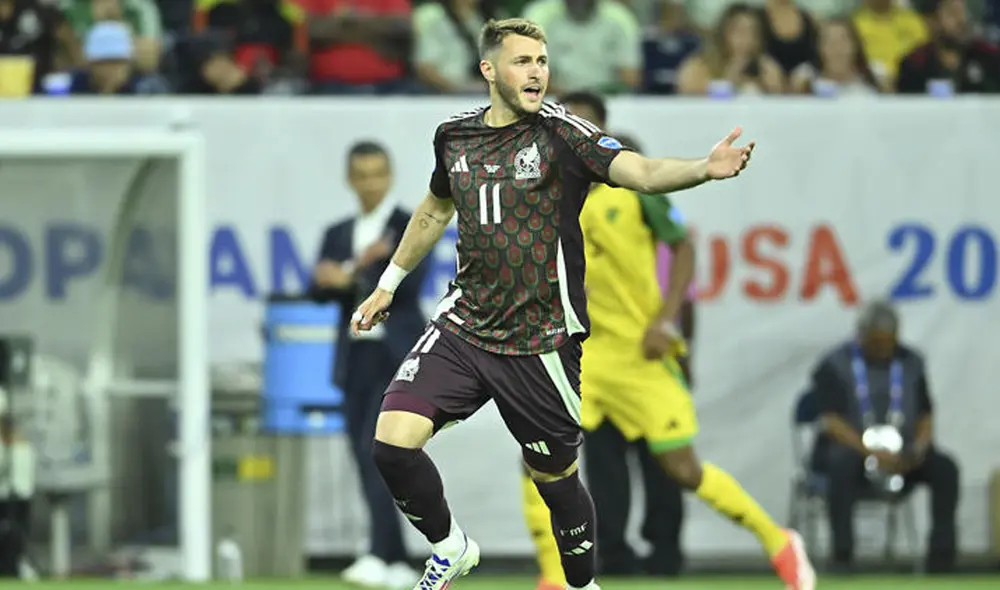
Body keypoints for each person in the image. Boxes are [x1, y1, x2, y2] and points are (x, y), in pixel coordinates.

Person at [351, 18, 791, 590]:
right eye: (522, 61)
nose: (537, 71)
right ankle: (451, 547)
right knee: (390, 443)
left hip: (541, 341)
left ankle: (583, 584)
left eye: (542, 60)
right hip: (465, 326)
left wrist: (703, 169)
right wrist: (388, 282)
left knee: (555, 481)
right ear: (489, 70)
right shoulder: (454, 137)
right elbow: (435, 209)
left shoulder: (563, 135)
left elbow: (644, 172)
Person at [519, 92, 690, 589]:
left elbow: (682, 253)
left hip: (640, 349)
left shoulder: (635, 182)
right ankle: (609, 555)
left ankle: (665, 553)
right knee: (599, 463)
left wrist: (671, 322)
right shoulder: (550, 194)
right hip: (586, 353)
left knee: (665, 458)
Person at [309, 141, 427, 589]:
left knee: (376, 452)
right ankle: (393, 558)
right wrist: (357, 269)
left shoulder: (407, 225)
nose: (370, 183)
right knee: (360, 456)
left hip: (393, 356)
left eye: (378, 173)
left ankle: (382, 552)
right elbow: (317, 287)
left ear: (390, 175)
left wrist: (351, 276)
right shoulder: (339, 232)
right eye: (361, 174)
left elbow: (409, 286)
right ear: (350, 179)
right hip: (354, 354)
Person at [811, 300, 960, 574]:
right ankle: (842, 555)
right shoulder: (835, 364)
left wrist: (918, 447)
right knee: (841, 465)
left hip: (901, 454)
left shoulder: (911, 363)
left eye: (888, 342)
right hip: (853, 452)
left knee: (945, 468)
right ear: (862, 335)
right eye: (876, 342)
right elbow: (830, 421)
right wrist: (871, 452)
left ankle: (942, 558)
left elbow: (926, 413)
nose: (883, 349)